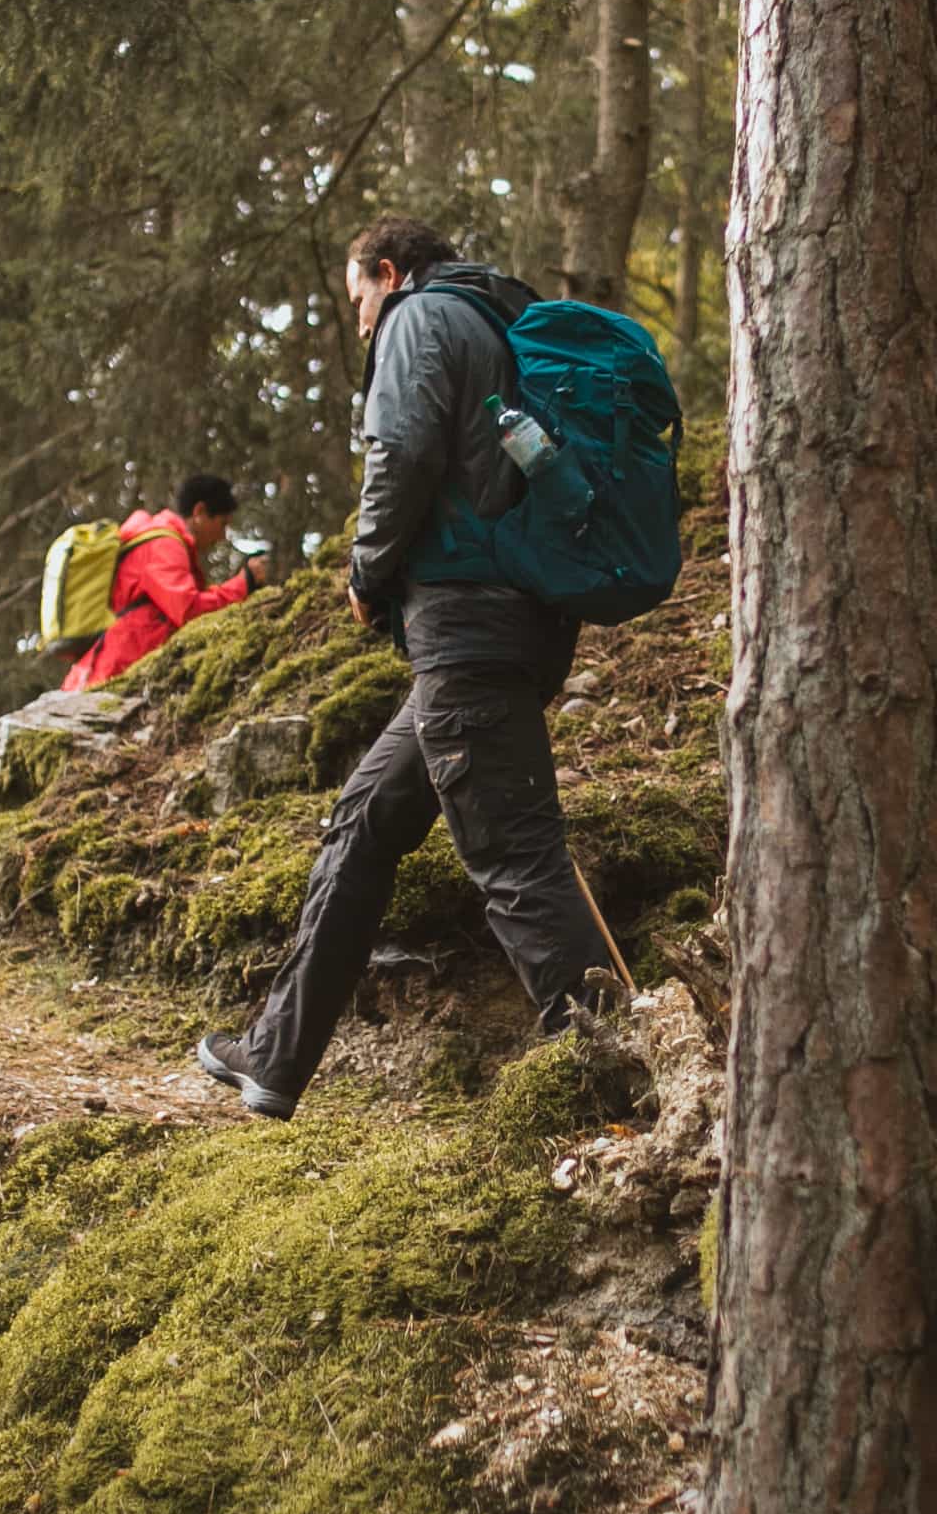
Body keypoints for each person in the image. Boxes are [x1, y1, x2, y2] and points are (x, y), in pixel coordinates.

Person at [191, 217, 614, 1119]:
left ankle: (620, 1079)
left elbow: (404, 454)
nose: (359, 323)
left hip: (469, 631)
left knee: (517, 858)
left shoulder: (420, 319)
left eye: (357, 301)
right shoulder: (496, 321)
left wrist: (365, 572)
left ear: (388, 273)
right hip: (501, 629)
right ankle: (275, 1055)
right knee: (365, 820)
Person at [62, 472, 262, 690]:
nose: (223, 536)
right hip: (115, 670)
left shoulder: (159, 540)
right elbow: (188, 610)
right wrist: (245, 583)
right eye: (222, 523)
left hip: (113, 665)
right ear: (200, 512)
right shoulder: (164, 545)